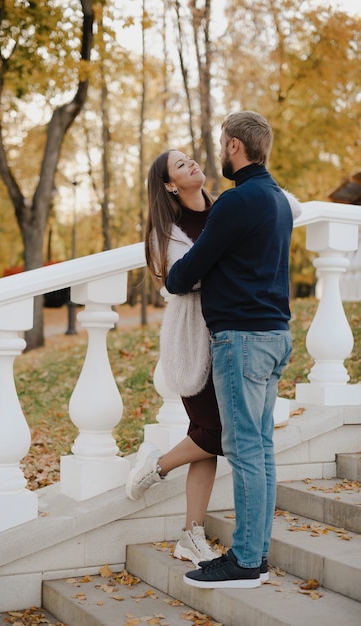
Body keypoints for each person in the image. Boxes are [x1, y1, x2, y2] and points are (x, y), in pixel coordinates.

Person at [165, 111, 295, 589]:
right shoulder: (278, 200)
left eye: (223, 144)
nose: (219, 152)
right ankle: (254, 556)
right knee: (259, 451)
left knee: (245, 452)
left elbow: (185, 272)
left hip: (241, 339)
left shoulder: (236, 202)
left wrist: (178, 274)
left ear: (236, 147)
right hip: (274, 335)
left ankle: (244, 560)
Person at [125, 149, 223, 566]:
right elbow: (180, 281)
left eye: (191, 160)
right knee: (214, 432)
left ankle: (191, 535)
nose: (192, 165)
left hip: (233, 333)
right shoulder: (164, 233)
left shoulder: (227, 208)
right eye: (180, 165)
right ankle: (157, 465)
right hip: (192, 340)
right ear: (169, 185)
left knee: (210, 437)